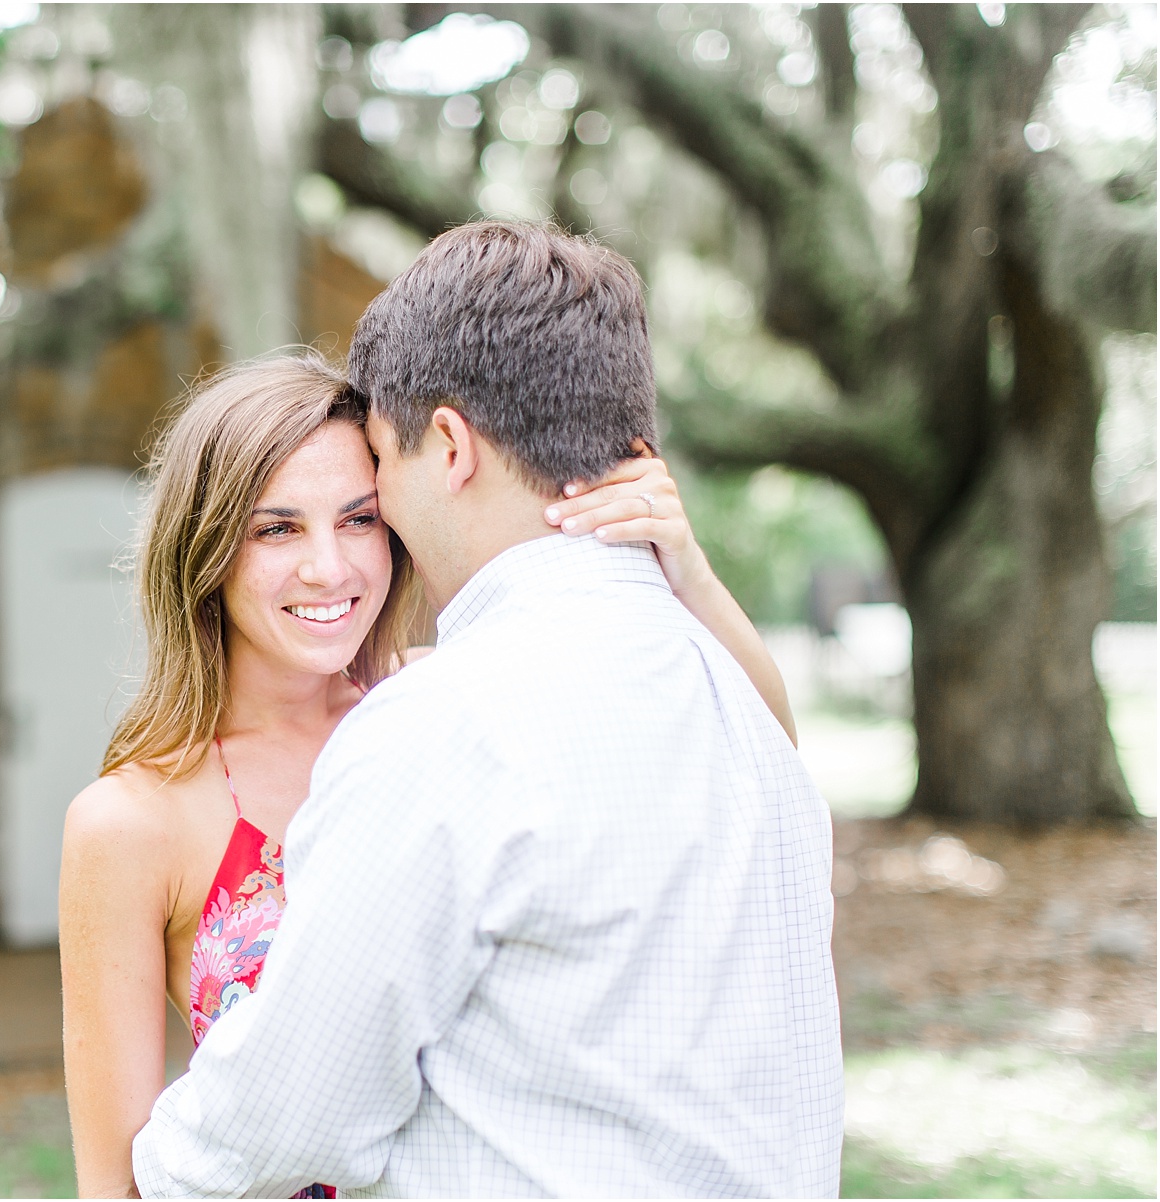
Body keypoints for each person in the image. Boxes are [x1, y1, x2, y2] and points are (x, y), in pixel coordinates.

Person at [125, 222, 844, 1198]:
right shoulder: (739, 705)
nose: (376, 501)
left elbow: (289, 1118)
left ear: (451, 445)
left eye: (380, 461)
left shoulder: (449, 723)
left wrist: (155, 1166)